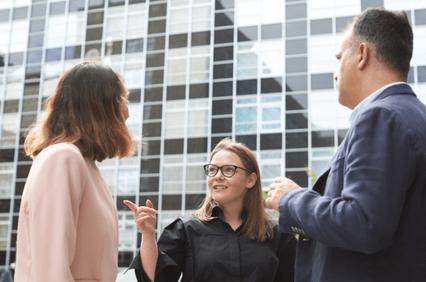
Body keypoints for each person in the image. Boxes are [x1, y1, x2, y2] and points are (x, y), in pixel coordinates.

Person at [264, 8, 426, 282]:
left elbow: (363, 222)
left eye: (339, 58)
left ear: (362, 54)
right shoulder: (412, 116)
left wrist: (291, 198)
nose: (335, 72)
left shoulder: (381, 116)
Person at [15, 62, 134, 282]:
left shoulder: (83, 165)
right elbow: (51, 272)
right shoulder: (62, 158)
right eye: (121, 98)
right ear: (99, 106)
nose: (127, 110)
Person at [124, 138, 295, 282]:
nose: (218, 176)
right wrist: (147, 234)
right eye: (212, 170)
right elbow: (155, 278)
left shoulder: (277, 234)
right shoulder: (185, 229)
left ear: (250, 180)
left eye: (229, 169)